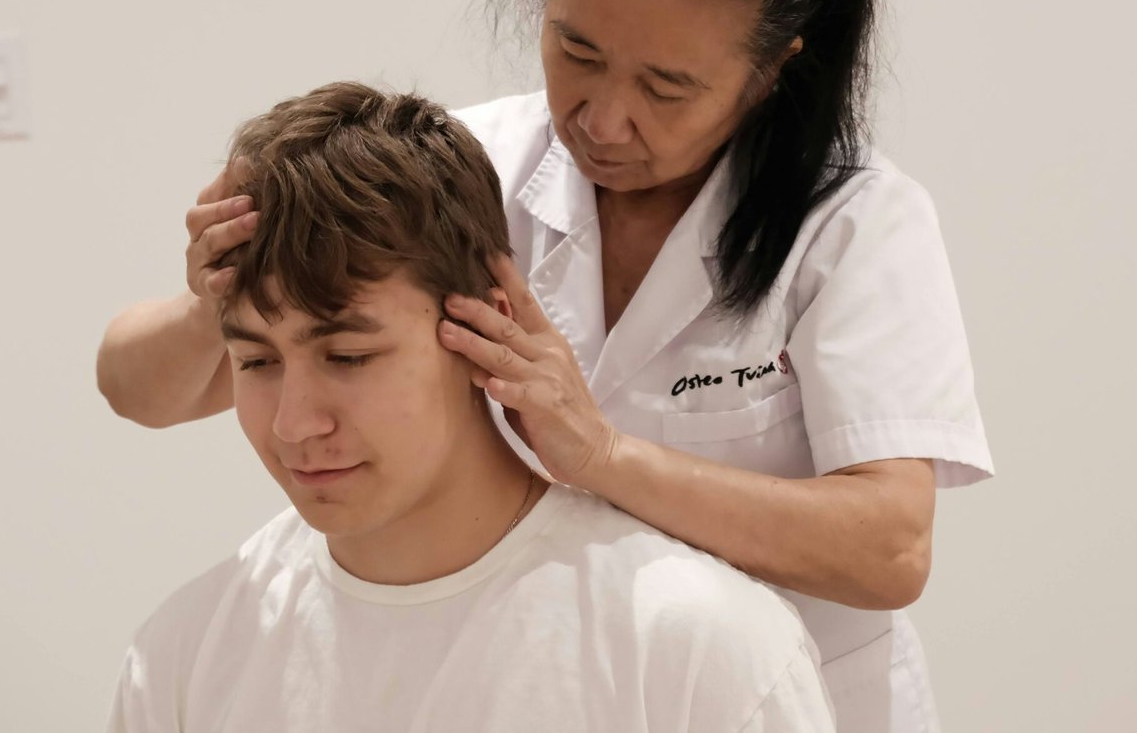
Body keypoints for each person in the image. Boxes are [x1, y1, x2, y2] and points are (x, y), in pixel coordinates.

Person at [98, 0, 993, 732]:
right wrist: (224, 297)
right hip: (527, 672)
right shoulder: (475, 166)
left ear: (772, 70)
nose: (603, 120)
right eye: (576, 51)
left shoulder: (853, 225)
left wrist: (605, 457)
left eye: (667, 86)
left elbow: (890, 549)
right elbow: (142, 384)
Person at [108, 82, 837, 732]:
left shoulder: (696, 652)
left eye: (349, 357)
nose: (294, 424)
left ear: (484, 331)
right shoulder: (185, 659)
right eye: (258, 362)